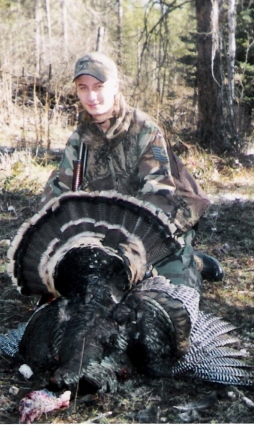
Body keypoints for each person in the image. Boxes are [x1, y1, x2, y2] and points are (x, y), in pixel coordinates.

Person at [38, 51, 224, 295]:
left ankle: (193, 261)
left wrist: (124, 249)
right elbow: (59, 190)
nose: (91, 96)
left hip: (164, 222)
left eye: (99, 86)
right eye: (83, 88)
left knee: (174, 295)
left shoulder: (144, 130)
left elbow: (159, 196)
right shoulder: (80, 139)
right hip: (112, 228)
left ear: (115, 86)